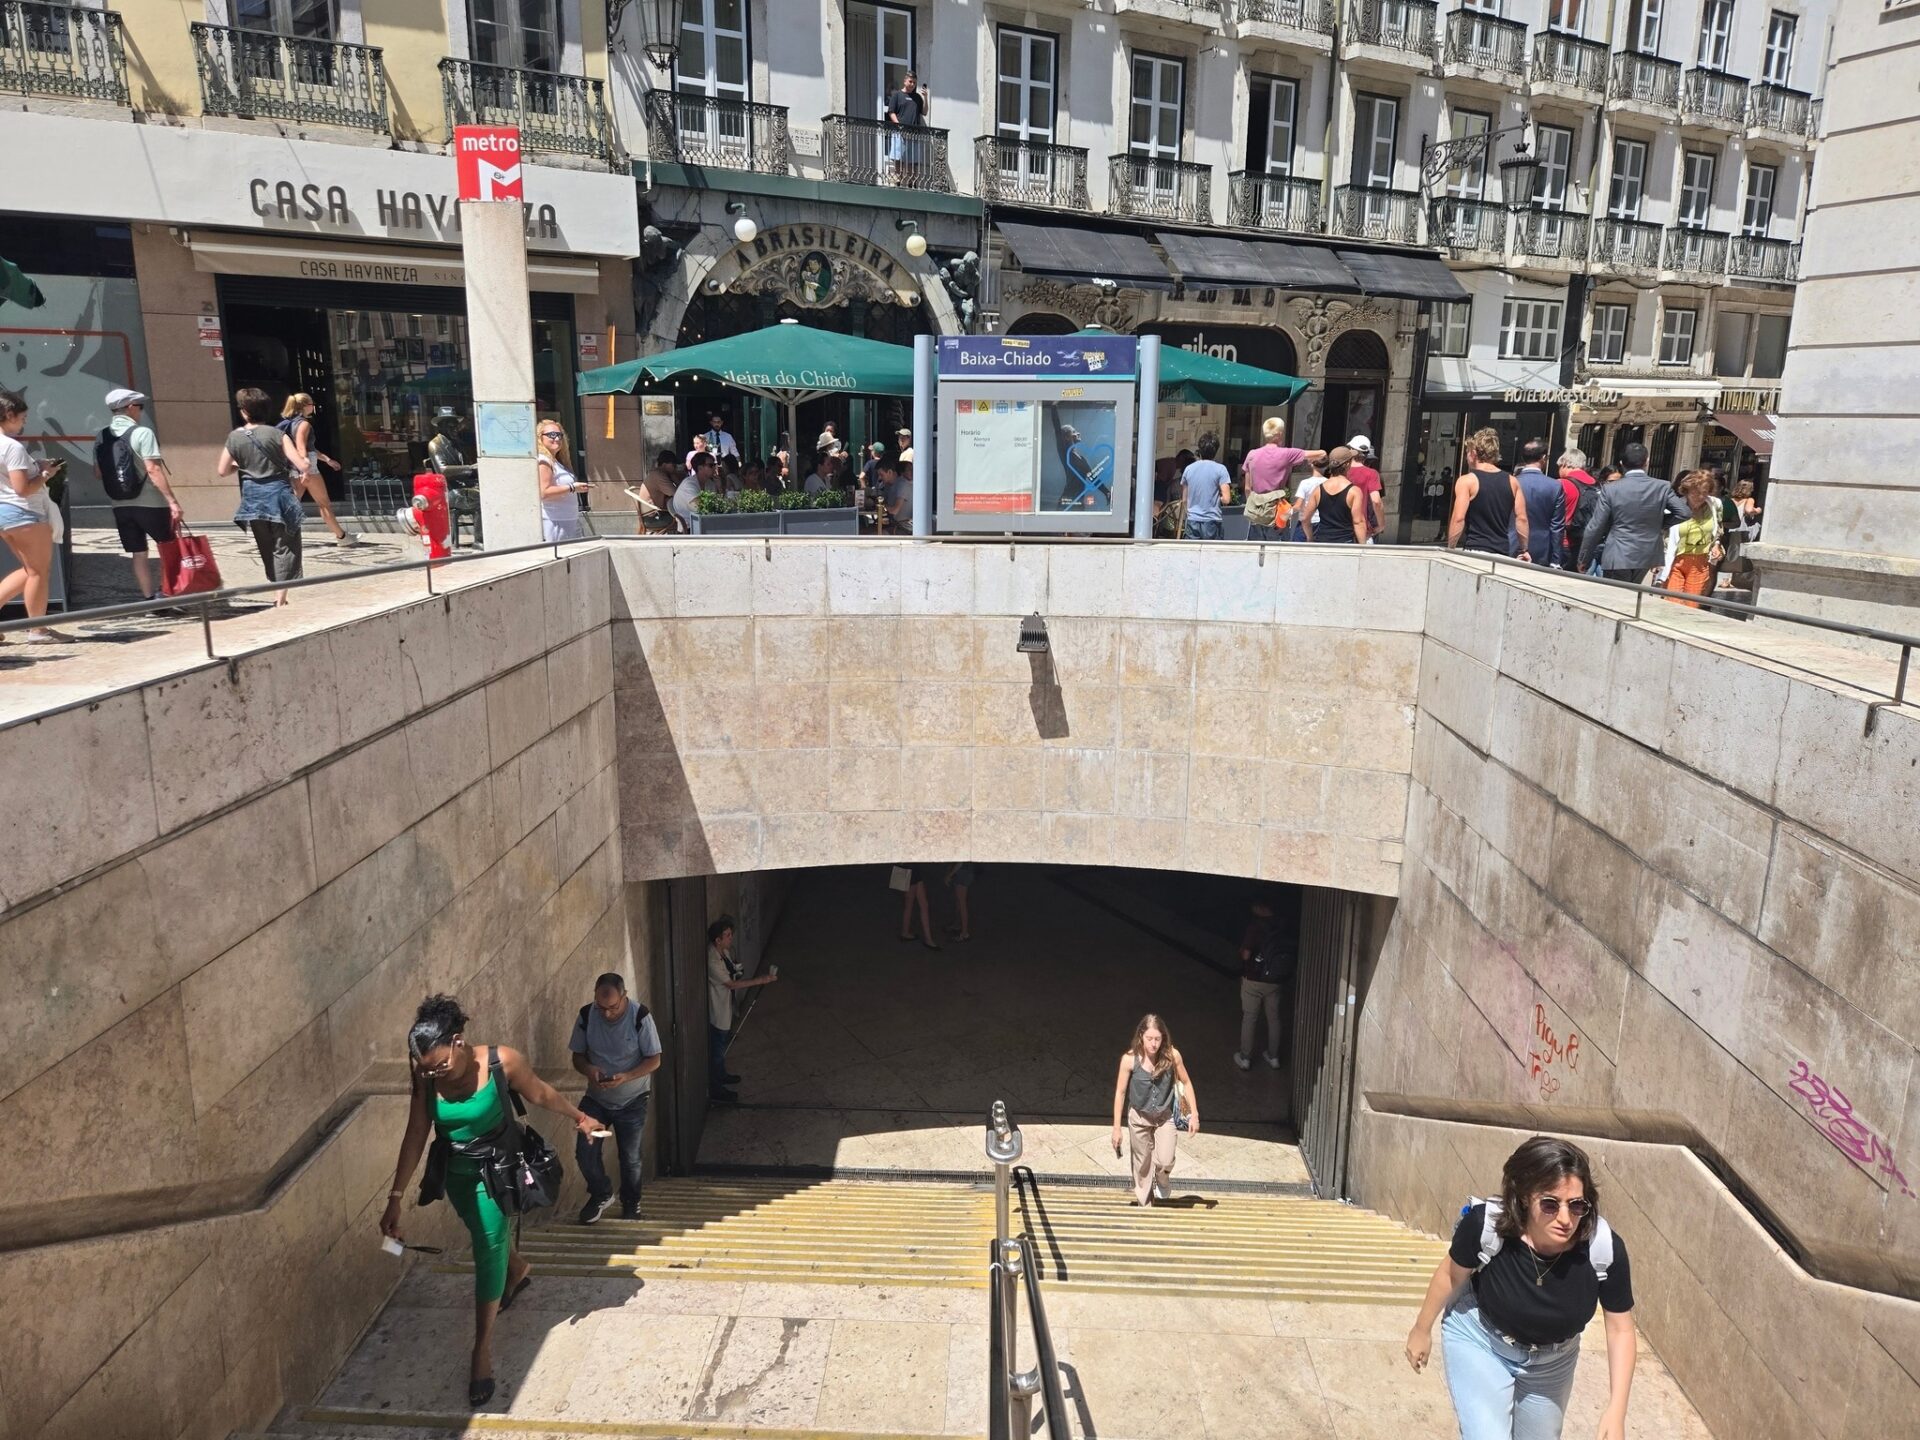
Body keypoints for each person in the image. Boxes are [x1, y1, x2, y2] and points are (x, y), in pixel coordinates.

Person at [379, 995, 601, 1407]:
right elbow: (415, 1133)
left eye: (440, 1064)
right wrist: (395, 1197)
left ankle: (481, 1351)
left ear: (459, 1042)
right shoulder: (425, 1076)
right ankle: (517, 1269)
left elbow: (540, 1094)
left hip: (497, 1170)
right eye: (426, 1068)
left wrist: (580, 1118)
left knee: (487, 1246)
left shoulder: (501, 1062)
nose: (434, 1074)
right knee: (484, 1234)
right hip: (456, 1174)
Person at [1404, 1135, 1637, 1440]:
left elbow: (1620, 1329)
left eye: (1577, 1205)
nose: (1566, 1219)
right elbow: (1450, 1275)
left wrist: (1616, 1410)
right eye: (1551, 1204)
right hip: (1482, 1341)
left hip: (1553, 1363)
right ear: (1526, 1197)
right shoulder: (1487, 1226)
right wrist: (1421, 1329)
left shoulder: (1603, 1248)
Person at [570, 971, 663, 1224]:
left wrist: (627, 1076)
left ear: (624, 997)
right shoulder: (587, 1015)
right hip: (596, 1098)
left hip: (632, 1099)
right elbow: (577, 1056)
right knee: (584, 1150)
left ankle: (632, 1204)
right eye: (601, 1007)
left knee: (630, 1157)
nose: (607, 1013)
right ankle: (601, 1193)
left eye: (612, 1007)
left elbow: (655, 1059)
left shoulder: (640, 1017)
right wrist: (589, 1070)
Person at [218, 387, 305, 603]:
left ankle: (278, 593)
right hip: (280, 497)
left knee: (266, 546)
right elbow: (301, 464)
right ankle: (280, 597)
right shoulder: (278, 435)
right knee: (285, 546)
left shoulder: (234, 437)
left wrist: (241, 466)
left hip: (253, 500)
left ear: (244, 411)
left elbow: (222, 470)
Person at [98, 388, 184, 602]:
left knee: (138, 553)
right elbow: (153, 470)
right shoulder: (142, 433)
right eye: (140, 407)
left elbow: (98, 472)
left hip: (120, 504)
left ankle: (148, 597)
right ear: (129, 408)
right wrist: (172, 501)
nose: (141, 411)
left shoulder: (101, 436)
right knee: (168, 548)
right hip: (151, 503)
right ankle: (168, 594)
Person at [0, 389, 68, 644]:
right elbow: (23, 488)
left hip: (4, 514)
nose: (24, 422)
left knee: (30, 570)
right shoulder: (12, 447)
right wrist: (46, 474)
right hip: (24, 512)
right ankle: (38, 630)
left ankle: (37, 628)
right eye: (22, 417)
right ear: (9, 414)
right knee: (39, 572)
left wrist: (36, 467)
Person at [1109, 1014, 1199, 1206]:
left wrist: (1194, 1115)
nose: (1153, 1044)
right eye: (1149, 1038)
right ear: (1141, 1036)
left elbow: (1186, 1082)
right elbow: (1120, 1092)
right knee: (1142, 1165)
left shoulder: (1172, 1056)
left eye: (1157, 1039)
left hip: (1163, 1116)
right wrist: (1116, 1128)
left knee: (1165, 1159)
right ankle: (1146, 1206)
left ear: (1163, 1038)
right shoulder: (1129, 1060)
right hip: (1139, 1117)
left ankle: (1163, 1177)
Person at [1576, 442, 1688, 583]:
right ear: (1647, 461)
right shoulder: (1662, 486)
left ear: (1622, 463)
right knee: (1634, 597)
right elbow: (1683, 512)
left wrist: (1583, 558)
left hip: (1618, 554)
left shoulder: (1610, 489)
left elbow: (1596, 526)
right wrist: (1657, 524)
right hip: (1647, 554)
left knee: (1616, 598)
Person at [708, 915, 776, 1102]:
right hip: (717, 1011)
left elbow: (732, 971)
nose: (731, 938)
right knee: (717, 1050)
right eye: (728, 935)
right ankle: (716, 1089)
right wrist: (760, 980)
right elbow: (730, 984)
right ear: (718, 940)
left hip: (727, 1007)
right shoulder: (712, 960)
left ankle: (722, 1075)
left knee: (721, 1047)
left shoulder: (724, 952)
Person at [278, 393, 357, 546]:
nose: (313, 407)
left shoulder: (290, 423)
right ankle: (342, 537)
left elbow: (308, 448)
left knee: (292, 503)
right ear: (305, 405)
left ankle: (279, 536)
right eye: (312, 404)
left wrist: (327, 460)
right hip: (308, 468)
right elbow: (302, 447)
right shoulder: (304, 424)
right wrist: (305, 470)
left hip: (295, 467)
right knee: (323, 503)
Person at [1449, 428, 1529, 560]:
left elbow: (1458, 518)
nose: (1466, 457)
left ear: (1473, 453)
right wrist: (1524, 549)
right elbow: (1522, 519)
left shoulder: (1467, 481)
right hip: (1502, 551)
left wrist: (1450, 548)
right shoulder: (1512, 481)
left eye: (1467, 452)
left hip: (1475, 549)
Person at [1233, 899, 1294, 1071]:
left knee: (1250, 1018)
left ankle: (1245, 1058)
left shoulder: (1255, 927)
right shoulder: (1284, 925)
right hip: (1275, 979)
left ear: (1260, 906)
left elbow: (1245, 955)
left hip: (1253, 978)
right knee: (1274, 1018)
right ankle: (1273, 1057)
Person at [1241, 416, 1323, 541]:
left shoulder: (1252, 454)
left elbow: (1247, 488)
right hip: (1276, 512)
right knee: (1276, 553)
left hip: (1256, 513)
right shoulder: (1287, 454)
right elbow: (1321, 453)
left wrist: (1255, 506)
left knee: (1256, 553)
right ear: (1279, 434)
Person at [1654, 470, 1723, 607]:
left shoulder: (1715, 505)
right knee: (1672, 603)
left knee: (1692, 606)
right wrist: (1656, 558)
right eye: (1696, 493)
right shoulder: (1675, 507)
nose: (1701, 496)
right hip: (1675, 561)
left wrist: (1716, 545)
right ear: (1686, 490)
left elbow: (1718, 529)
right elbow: (1661, 533)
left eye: (1705, 492)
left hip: (1700, 562)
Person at [1296, 445, 1369, 544]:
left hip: (1322, 542)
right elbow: (1358, 522)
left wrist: (1310, 538)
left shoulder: (1318, 490)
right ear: (1347, 464)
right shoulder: (1354, 491)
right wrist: (1363, 547)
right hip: (1345, 542)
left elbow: (1305, 518)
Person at [1510, 439, 1565, 567]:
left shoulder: (1511, 483)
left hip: (1512, 543)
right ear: (1544, 458)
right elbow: (1557, 527)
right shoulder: (1555, 486)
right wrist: (1556, 560)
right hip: (1542, 549)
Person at [536, 421, 586, 541]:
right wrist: (572, 487)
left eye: (559, 435)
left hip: (568, 519)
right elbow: (544, 492)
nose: (557, 438)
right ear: (540, 438)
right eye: (552, 435)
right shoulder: (543, 461)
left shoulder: (556, 461)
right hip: (555, 521)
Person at [1557, 447, 1601, 571]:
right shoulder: (1596, 484)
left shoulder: (1563, 484)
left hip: (1565, 542)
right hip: (1586, 543)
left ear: (1565, 464)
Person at [1181, 434, 1232, 539]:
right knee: (1211, 554)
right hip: (1212, 520)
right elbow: (1226, 499)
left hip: (1192, 520)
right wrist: (1216, 498)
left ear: (1200, 450)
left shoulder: (1189, 469)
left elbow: (1184, 499)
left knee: (1192, 553)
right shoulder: (1221, 469)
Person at [884, 71, 929, 182]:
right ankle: (897, 181)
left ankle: (911, 183)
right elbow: (891, 112)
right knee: (898, 160)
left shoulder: (917, 97)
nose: (912, 84)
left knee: (912, 162)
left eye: (914, 82)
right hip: (899, 133)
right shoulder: (897, 95)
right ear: (905, 81)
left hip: (913, 134)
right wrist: (898, 125)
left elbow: (924, 112)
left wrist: (925, 98)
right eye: (910, 81)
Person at [1345, 434, 1386, 538]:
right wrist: (1381, 525)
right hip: (1362, 529)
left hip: (1339, 528)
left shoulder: (1341, 471)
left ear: (1351, 450)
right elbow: (1376, 501)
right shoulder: (1371, 474)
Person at [897, 864, 942, 950]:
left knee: (917, 904)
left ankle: (906, 932)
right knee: (915, 904)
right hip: (910, 869)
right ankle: (926, 938)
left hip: (909, 869)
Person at [673, 451, 714, 530]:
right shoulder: (689, 484)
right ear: (700, 468)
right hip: (690, 527)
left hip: (706, 524)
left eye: (714, 465)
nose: (714, 467)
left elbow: (716, 504)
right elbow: (699, 507)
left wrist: (720, 487)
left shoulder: (710, 483)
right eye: (711, 465)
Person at [944, 862, 974, 941]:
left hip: (963, 872)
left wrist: (950, 875)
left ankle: (964, 933)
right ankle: (957, 924)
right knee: (959, 901)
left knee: (962, 903)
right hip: (965, 871)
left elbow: (960, 861)